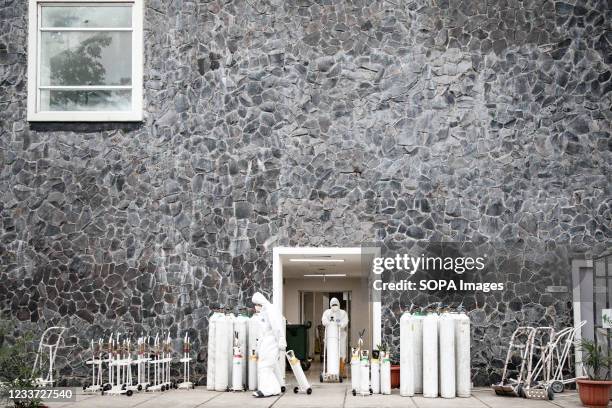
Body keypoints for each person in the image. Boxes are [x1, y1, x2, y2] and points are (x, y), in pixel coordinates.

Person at [251, 292, 286, 397]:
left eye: (257, 304)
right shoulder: (263, 312)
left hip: (271, 343)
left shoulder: (270, 310)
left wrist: (281, 341)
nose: (256, 306)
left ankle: (266, 390)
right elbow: (262, 332)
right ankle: (275, 389)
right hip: (265, 344)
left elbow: (277, 327)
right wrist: (258, 347)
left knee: (265, 367)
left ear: (260, 302)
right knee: (267, 368)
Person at [321, 297, 349, 377]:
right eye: (333, 305)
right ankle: (330, 369)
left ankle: (342, 370)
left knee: (342, 353)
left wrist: (340, 325)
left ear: (339, 304)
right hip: (330, 336)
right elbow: (324, 321)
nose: (334, 306)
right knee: (331, 352)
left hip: (341, 335)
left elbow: (345, 321)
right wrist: (330, 323)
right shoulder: (327, 312)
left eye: (336, 304)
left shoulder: (343, 313)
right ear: (330, 305)